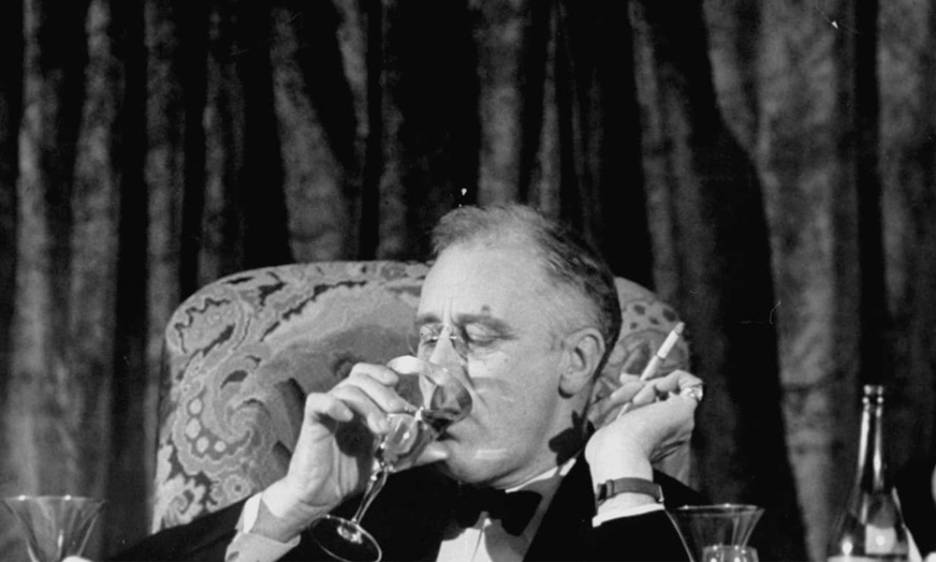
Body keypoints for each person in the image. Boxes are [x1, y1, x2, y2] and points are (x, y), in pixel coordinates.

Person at [113, 203, 705, 561]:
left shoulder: (681, 531)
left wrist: (621, 466)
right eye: (428, 336)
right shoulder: (358, 516)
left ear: (576, 361)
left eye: (477, 337)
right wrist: (290, 506)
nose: (436, 370)